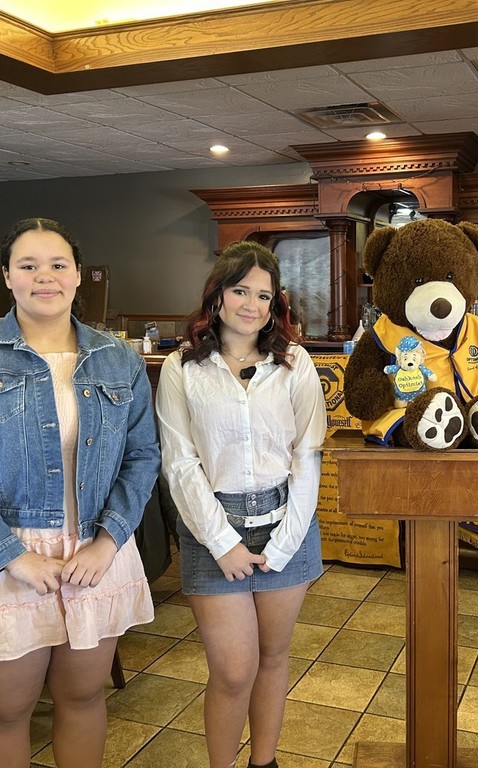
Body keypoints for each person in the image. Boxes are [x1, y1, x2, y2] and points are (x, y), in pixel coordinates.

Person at [0, 218, 160, 768]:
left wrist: (109, 541)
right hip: (2, 554)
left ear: (78, 275)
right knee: (5, 711)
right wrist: (11, 557)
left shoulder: (117, 359)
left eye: (57, 265)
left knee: (83, 697)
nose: (43, 277)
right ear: (7, 276)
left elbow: (142, 456)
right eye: (28, 266)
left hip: (94, 553)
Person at [156, 241, 326, 768]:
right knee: (233, 669)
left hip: (286, 526)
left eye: (264, 295)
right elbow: (180, 463)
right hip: (211, 528)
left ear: (276, 305)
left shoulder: (294, 363)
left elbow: (308, 456)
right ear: (217, 296)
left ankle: (265, 763)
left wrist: (285, 542)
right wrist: (224, 542)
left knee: (273, 659)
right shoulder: (182, 367)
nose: (252, 305)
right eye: (241, 291)